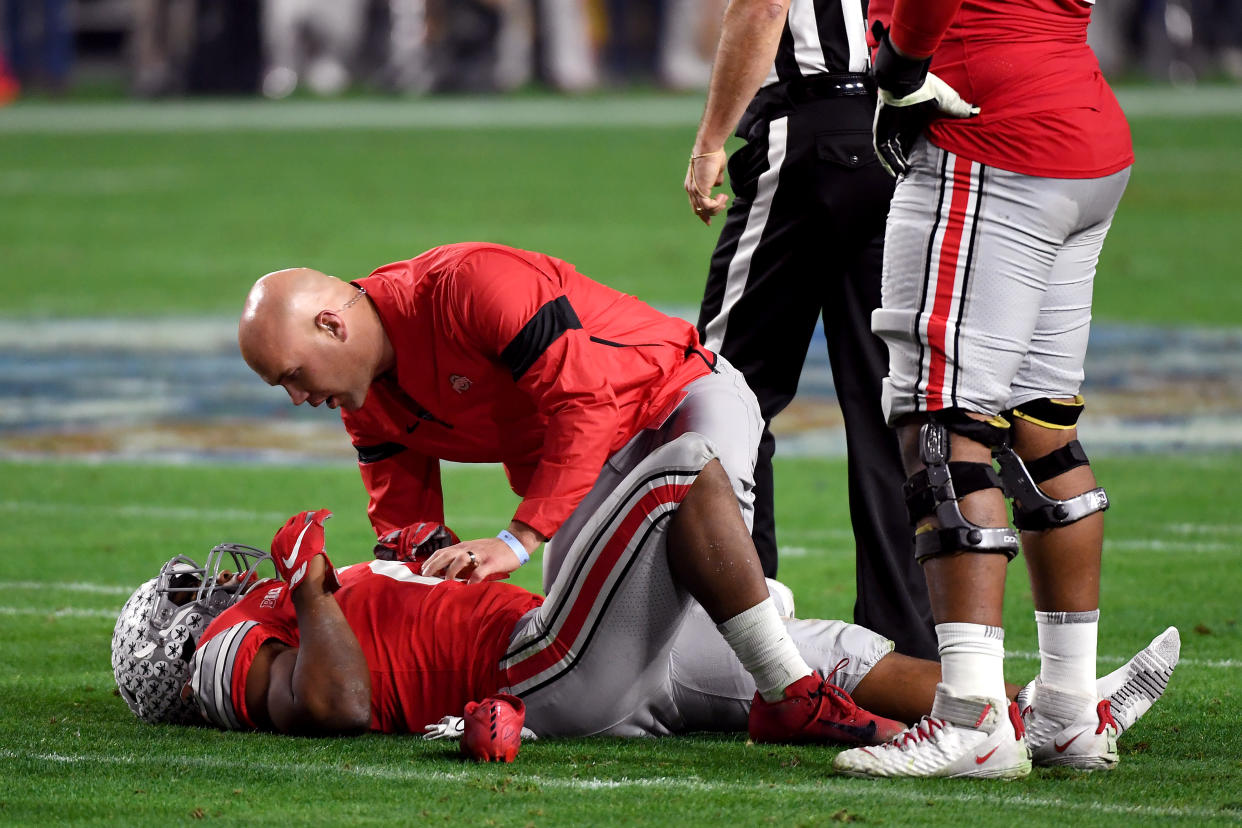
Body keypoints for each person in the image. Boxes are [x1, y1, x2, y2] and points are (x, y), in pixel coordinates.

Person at [235, 242, 904, 744]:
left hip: (678, 400)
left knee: (685, 480)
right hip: (588, 464)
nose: (298, 398)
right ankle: (759, 621)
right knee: (581, 639)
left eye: (293, 375)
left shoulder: (467, 285)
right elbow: (406, 532)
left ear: (332, 324)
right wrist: (434, 574)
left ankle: (785, 685)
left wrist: (516, 539)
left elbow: (583, 402)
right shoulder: (365, 402)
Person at [111, 504, 1180, 757]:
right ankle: (1044, 717)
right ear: (180, 643)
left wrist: (425, 554)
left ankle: (1057, 716)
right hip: (549, 660)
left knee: (835, 648)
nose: (213, 584)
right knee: (668, 473)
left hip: (547, 634)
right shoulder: (228, 657)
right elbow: (338, 702)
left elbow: (384, 623)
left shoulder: (255, 625)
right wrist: (306, 591)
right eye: (191, 592)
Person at [830, 0, 1137, 779]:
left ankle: (972, 719)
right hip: (1079, 121)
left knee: (943, 427)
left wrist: (898, 70)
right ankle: (1067, 710)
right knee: (1042, 427)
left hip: (988, 132)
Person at [683, 0, 938, 661]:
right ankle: (904, 647)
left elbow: (765, 7)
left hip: (809, 129)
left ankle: (743, 636)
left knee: (720, 393)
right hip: (897, 133)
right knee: (890, 404)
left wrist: (711, 140)